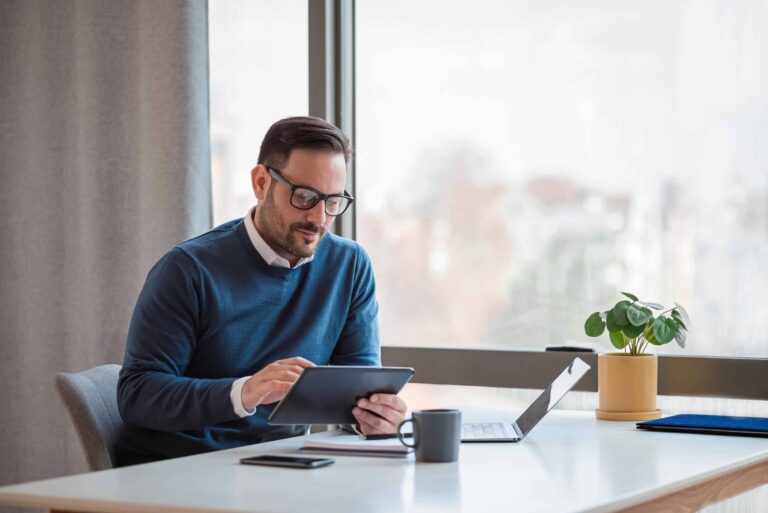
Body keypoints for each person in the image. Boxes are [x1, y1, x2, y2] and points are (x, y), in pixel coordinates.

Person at [116, 116, 407, 466]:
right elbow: (138, 396)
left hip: (282, 465)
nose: (318, 218)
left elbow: (357, 390)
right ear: (261, 182)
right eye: (304, 196)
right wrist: (245, 391)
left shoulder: (350, 266)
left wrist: (374, 416)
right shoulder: (188, 269)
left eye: (332, 202)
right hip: (179, 467)